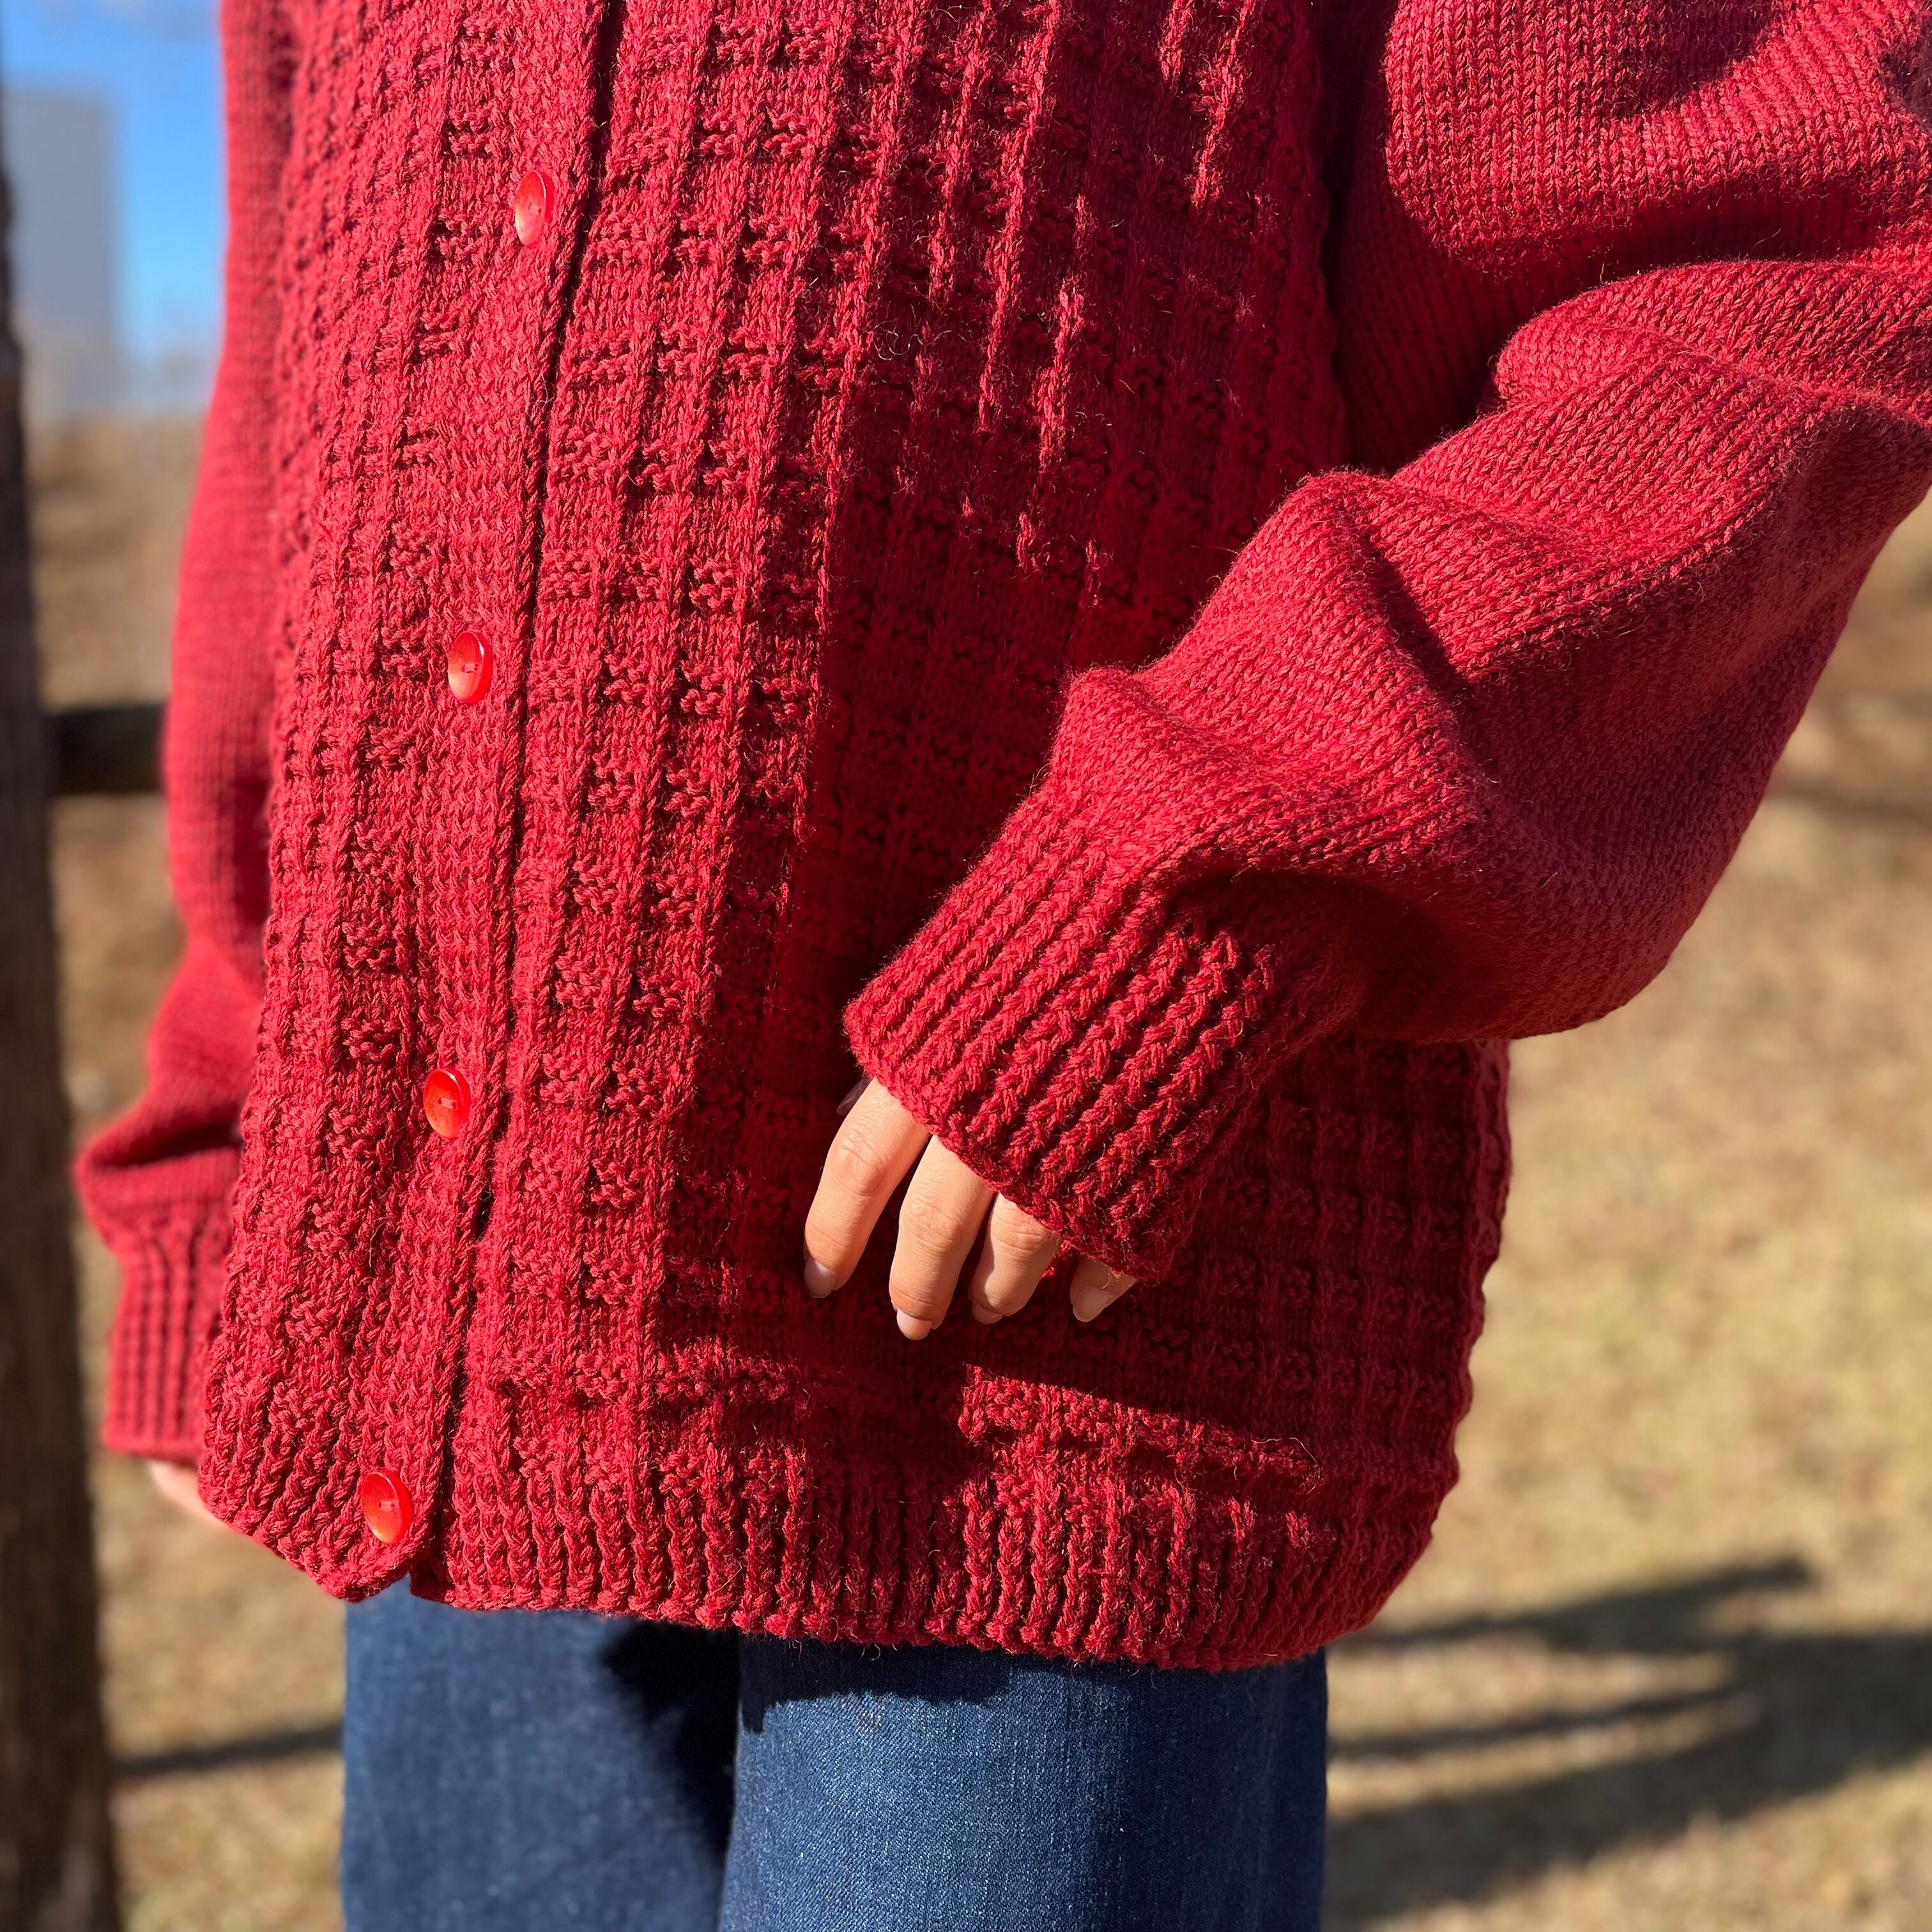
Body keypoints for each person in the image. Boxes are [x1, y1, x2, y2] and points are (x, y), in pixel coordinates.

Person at [79, 1, 1932, 1926]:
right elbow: (304, 413)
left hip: (1057, 1324)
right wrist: (224, 1126)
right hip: (444, 1317)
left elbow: (1777, 256)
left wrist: (1182, 900)